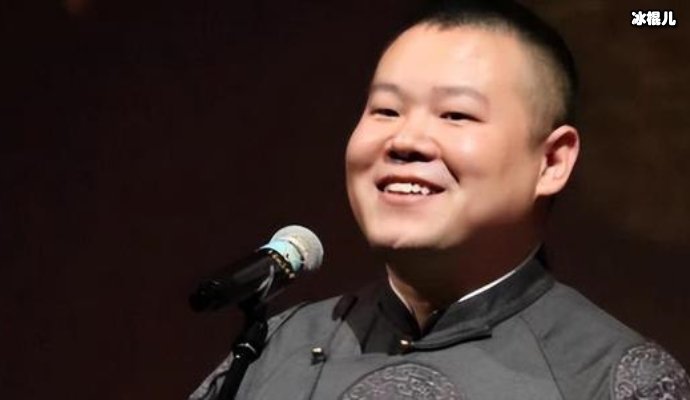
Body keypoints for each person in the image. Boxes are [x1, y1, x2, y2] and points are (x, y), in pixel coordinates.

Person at [190, 1, 689, 399]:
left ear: (551, 161)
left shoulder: (614, 377)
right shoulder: (272, 349)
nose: (405, 141)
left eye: (455, 115)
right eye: (386, 110)